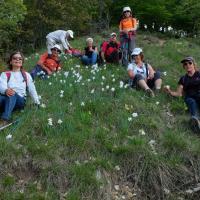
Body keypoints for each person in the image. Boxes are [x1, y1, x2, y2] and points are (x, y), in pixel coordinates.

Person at [0, 51, 40, 127]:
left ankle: (4, 119)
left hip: (20, 101)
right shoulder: (5, 74)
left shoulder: (26, 75)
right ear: (11, 62)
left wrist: (37, 102)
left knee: (12, 93)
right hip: (6, 97)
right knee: (7, 94)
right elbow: (1, 86)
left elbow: (32, 89)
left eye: (20, 59)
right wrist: (5, 90)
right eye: (15, 58)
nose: (17, 60)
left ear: (22, 62)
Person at [164, 56, 200, 132]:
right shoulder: (183, 78)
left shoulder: (199, 74)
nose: (188, 65)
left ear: (194, 64)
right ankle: (196, 122)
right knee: (191, 101)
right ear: (184, 67)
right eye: (185, 64)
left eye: (190, 63)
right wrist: (169, 91)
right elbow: (179, 93)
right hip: (190, 97)